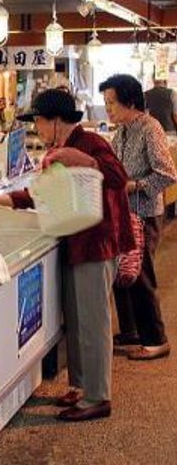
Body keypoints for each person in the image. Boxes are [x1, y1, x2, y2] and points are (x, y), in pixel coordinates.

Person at [0, 88, 134, 422]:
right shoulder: (57, 148)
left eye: (39, 120)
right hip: (76, 241)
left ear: (56, 120)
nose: (36, 128)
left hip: (96, 244)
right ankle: (82, 387)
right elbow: (38, 194)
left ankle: (99, 397)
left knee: (93, 321)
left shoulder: (90, 144)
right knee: (77, 318)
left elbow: (118, 177)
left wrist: (84, 161)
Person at [99, 74, 177, 360]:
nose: (107, 108)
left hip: (144, 213)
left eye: (111, 102)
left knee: (142, 275)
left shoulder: (150, 128)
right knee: (124, 273)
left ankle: (157, 340)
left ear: (130, 101)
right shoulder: (121, 131)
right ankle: (131, 331)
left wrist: (135, 185)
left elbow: (168, 174)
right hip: (124, 212)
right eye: (105, 102)